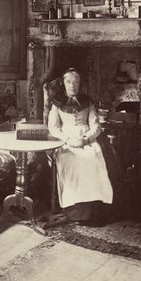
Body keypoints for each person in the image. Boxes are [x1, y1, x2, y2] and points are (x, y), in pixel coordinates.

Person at [46, 68, 114, 226]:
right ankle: (73, 210)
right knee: (71, 160)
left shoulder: (87, 101)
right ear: (63, 83)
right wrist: (68, 140)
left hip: (86, 139)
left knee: (93, 158)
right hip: (65, 141)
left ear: (80, 84)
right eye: (69, 82)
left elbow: (96, 126)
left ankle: (92, 211)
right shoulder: (57, 103)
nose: (72, 85)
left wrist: (86, 139)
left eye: (76, 82)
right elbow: (53, 127)